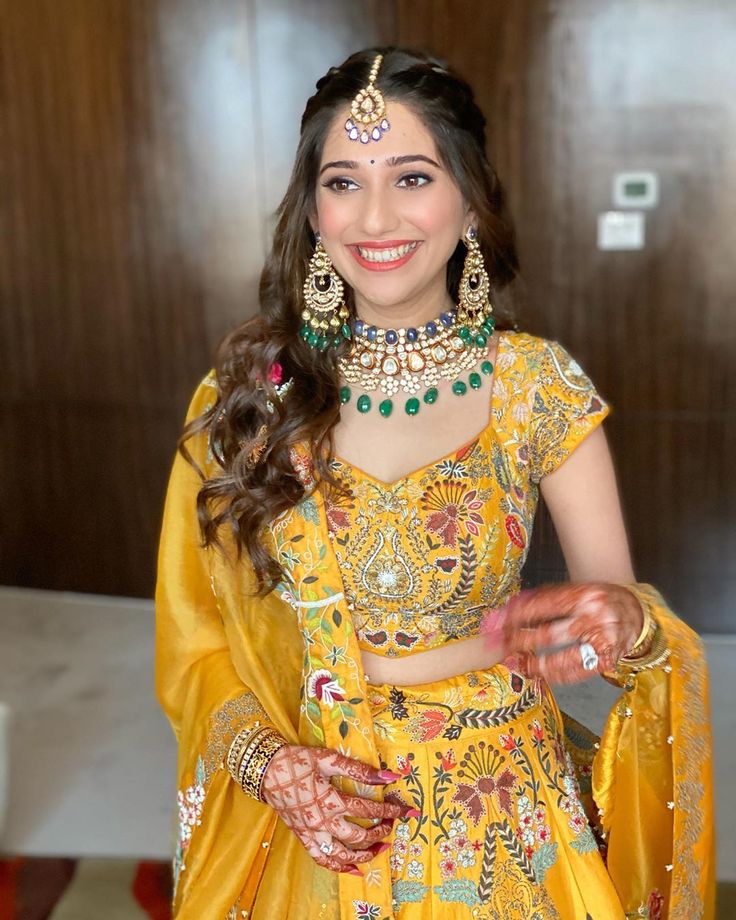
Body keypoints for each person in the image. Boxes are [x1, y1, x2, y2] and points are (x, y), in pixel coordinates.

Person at [155, 47, 714, 920]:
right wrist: (275, 766)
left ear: (469, 201)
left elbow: (617, 619)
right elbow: (195, 642)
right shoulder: (251, 399)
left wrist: (629, 626)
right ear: (312, 208)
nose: (374, 216)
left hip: (502, 818)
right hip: (322, 810)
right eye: (342, 182)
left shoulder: (535, 387)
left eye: (412, 177)